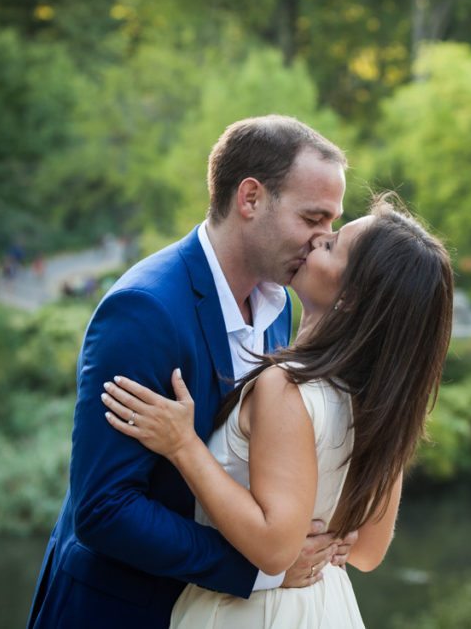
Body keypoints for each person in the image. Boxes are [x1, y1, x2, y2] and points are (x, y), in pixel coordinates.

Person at [26, 115, 351, 629]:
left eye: (331, 225)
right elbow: (104, 509)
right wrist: (263, 567)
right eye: (313, 219)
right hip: (121, 612)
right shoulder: (144, 310)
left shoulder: (281, 308)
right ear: (250, 199)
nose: (320, 241)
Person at [101, 198, 454, 627]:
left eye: (332, 245)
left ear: (351, 298)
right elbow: (367, 551)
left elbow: (273, 549)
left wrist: (183, 445)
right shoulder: (381, 401)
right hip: (327, 605)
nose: (319, 236)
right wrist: (332, 532)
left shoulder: (286, 386)